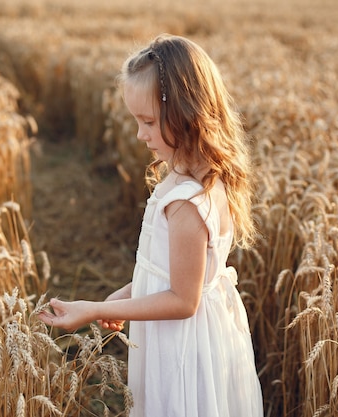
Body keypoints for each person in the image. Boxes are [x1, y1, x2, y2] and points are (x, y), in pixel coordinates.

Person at [38, 34, 263, 417]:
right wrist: (123, 298)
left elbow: (182, 299)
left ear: (185, 113)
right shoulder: (196, 178)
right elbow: (171, 273)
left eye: (148, 122)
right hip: (189, 334)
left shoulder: (186, 203)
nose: (140, 134)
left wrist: (92, 309)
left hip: (182, 347)